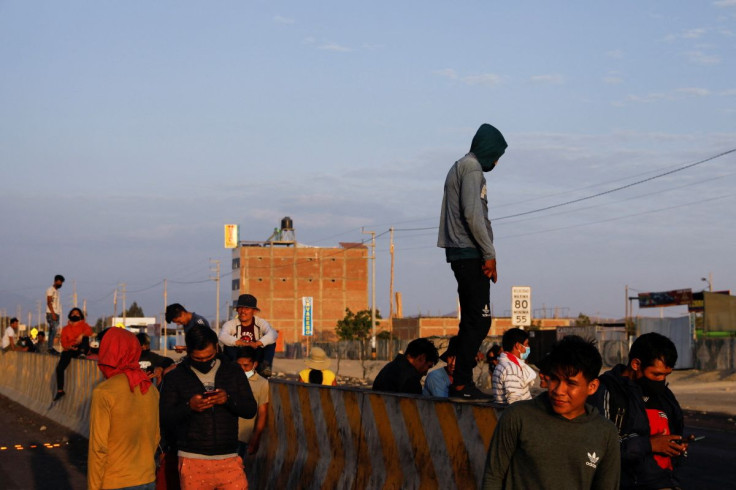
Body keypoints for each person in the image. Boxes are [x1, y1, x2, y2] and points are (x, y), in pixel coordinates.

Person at [483, 336, 620, 490]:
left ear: (592, 387)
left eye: (571, 383)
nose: (559, 390)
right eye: (554, 379)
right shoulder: (517, 416)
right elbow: (492, 477)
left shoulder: (605, 433)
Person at [437, 123, 507, 400]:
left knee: (473, 320)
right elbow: (473, 214)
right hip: (470, 253)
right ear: (489, 150)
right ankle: (462, 383)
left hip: (464, 253)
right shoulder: (472, 168)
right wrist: (489, 254)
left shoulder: (461, 166)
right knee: (478, 321)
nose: (497, 162)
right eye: (497, 155)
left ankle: (461, 381)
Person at [159, 324, 257, 489]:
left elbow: (250, 410)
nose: (204, 361)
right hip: (192, 460)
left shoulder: (233, 372)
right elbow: (165, 417)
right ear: (188, 352)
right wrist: (189, 406)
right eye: (198, 359)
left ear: (217, 348)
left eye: (209, 357)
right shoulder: (175, 377)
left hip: (229, 458)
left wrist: (228, 400)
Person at [589, 332, 688, 489]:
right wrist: (649, 445)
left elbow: (674, 430)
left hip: (665, 482)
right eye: (656, 374)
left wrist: (678, 445)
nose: (662, 380)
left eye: (666, 375)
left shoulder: (665, 395)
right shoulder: (607, 391)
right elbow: (599, 449)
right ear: (636, 364)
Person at [88, 328, 160, 490]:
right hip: (147, 478)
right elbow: (156, 437)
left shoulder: (104, 391)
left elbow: (98, 447)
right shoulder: (150, 388)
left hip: (116, 481)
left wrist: (93, 487)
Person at [219, 294, 278, 377]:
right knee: (228, 345)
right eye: (240, 308)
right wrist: (243, 343)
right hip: (238, 356)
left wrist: (257, 343)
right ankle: (233, 369)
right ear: (237, 310)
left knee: (271, 343)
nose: (243, 311)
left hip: (255, 355)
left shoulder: (260, 323)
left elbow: (273, 334)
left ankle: (265, 366)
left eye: (247, 308)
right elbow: (222, 336)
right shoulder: (231, 324)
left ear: (254, 311)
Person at [54, 308, 95, 401]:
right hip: (70, 349)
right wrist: (69, 347)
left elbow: (90, 332)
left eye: (77, 313)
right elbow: (63, 342)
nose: (75, 315)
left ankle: (82, 354)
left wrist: (81, 335)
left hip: (81, 347)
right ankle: (60, 391)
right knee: (59, 368)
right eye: (73, 313)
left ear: (80, 316)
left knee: (85, 337)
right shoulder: (65, 329)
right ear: (70, 315)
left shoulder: (84, 325)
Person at [235, 347, 269, 458]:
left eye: (246, 366)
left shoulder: (262, 384)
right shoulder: (230, 378)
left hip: (243, 437)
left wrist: (256, 437)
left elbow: (262, 413)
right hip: (226, 435)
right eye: (239, 365)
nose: (242, 369)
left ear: (254, 364)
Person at [372, 338, 439, 395]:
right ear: (422, 358)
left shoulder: (390, 367)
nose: (425, 373)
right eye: (428, 366)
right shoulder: (411, 380)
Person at [492, 328, 536, 406]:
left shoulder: (504, 364)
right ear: (518, 346)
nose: (528, 347)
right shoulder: (511, 368)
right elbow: (514, 402)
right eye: (526, 344)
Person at [46, 274, 64, 353]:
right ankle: (50, 347)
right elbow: (49, 302)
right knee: (53, 329)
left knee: (53, 330)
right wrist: (53, 313)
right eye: (59, 282)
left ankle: (50, 347)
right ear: (55, 281)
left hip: (56, 313)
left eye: (61, 283)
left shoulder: (57, 291)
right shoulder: (50, 290)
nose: (61, 284)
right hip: (51, 313)